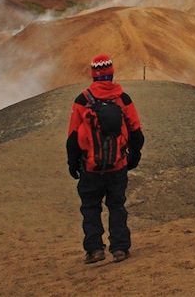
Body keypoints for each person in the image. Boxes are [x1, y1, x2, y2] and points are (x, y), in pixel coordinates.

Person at [66, 54, 145, 264]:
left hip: (90, 167)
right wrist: (134, 157)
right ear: (111, 74)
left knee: (90, 207)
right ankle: (120, 249)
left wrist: (72, 164)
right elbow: (136, 132)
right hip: (117, 165)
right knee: (117, 206)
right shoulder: (122, 99)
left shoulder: (82, 100)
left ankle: (94, 250)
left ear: (94, 75)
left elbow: (72, 137)